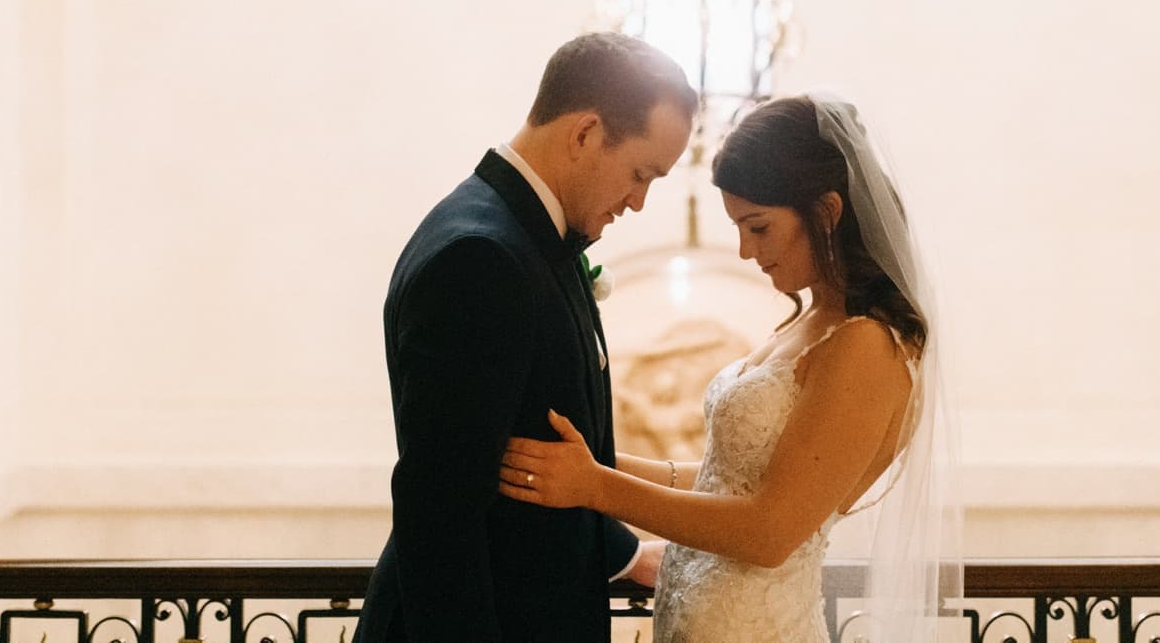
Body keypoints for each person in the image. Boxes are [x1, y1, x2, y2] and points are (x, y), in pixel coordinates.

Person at [499, 94, 960, 643]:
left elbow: (770, 531)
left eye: (758, 227)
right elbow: (729, 479)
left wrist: (595, 486)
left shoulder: (868, 345)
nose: (744, 250)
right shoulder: (810, 321)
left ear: (829, 212)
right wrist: (597, 459)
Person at [353, 32, 696, 643]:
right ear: (586, 132)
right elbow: (441, 510)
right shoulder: (481, 257)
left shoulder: (526, 237)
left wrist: (619, 551)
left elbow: (527, 449)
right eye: (640, 173)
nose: (639, 202)